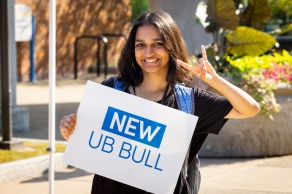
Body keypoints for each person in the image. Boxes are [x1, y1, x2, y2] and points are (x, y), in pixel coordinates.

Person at [59, 10, 260, 194]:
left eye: (158, 44)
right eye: (141, 45)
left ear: (171, 46)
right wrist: (71, 130)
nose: (148, 53)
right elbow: (92, 143)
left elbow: (250, 109)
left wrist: (213, 80)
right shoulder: (112, 89)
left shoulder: (190, 102)